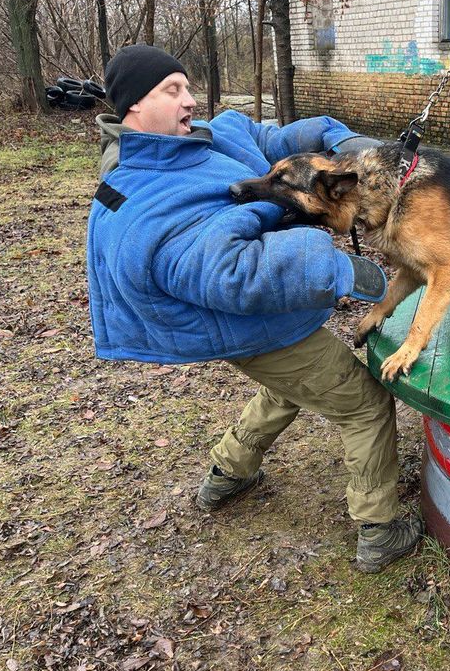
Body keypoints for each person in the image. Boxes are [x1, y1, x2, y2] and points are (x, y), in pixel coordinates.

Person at [87, 44, 422, 573]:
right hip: (252, 320)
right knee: (364, 404)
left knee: (290, 384)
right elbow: (232, 275)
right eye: (171, 91)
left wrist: (337, 140)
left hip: (265, 326)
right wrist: (335, 269)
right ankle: (379, 528)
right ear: (132, 108)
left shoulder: (193, 142)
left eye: (187, 86)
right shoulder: (149, 194)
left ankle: (229, 472)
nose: (189, 100)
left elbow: (264, 138)